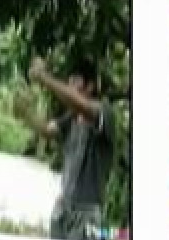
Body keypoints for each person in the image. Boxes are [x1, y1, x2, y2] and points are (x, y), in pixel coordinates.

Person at [12, 57, 115, 240]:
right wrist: (26, 115)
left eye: (76, 81)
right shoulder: (71, 117)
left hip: (87, 214)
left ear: (90, 86)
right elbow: (47, 130)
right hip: (63, 207)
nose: (70, 85)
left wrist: (44, 77)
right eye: (70, 80)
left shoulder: (104, 113)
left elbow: (82, 106)